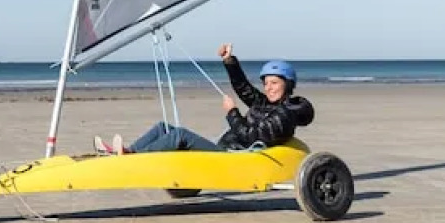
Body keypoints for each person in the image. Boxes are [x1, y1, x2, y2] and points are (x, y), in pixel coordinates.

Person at [94, 43, 314, 155]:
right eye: (266, 83)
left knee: (180, 135)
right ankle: (130, 151)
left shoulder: (284, 114)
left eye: (275, 83)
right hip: (228, 150)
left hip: (234, 158)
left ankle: (132, 157)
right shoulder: (267, 105)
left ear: (288, 84)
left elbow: (250, 135)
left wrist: (232, 113)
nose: (269, 88)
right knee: (163, 127)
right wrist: (229, 61)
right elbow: (244, 89)